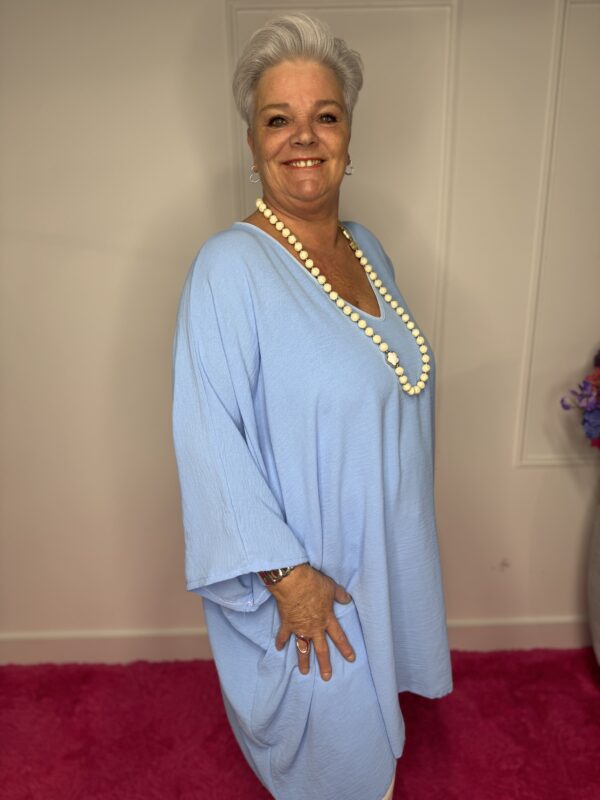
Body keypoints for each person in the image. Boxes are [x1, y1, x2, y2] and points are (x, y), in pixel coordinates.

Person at [172, 14, 452, 800]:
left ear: (349, 135)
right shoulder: (229, 267)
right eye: (277, 119)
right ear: (252, 140)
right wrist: (289, 580)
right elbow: (208, 438)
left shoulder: (368, 248)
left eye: (324, 115)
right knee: (342, 770)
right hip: (308, 588)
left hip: (378, 566)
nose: (303, 136)